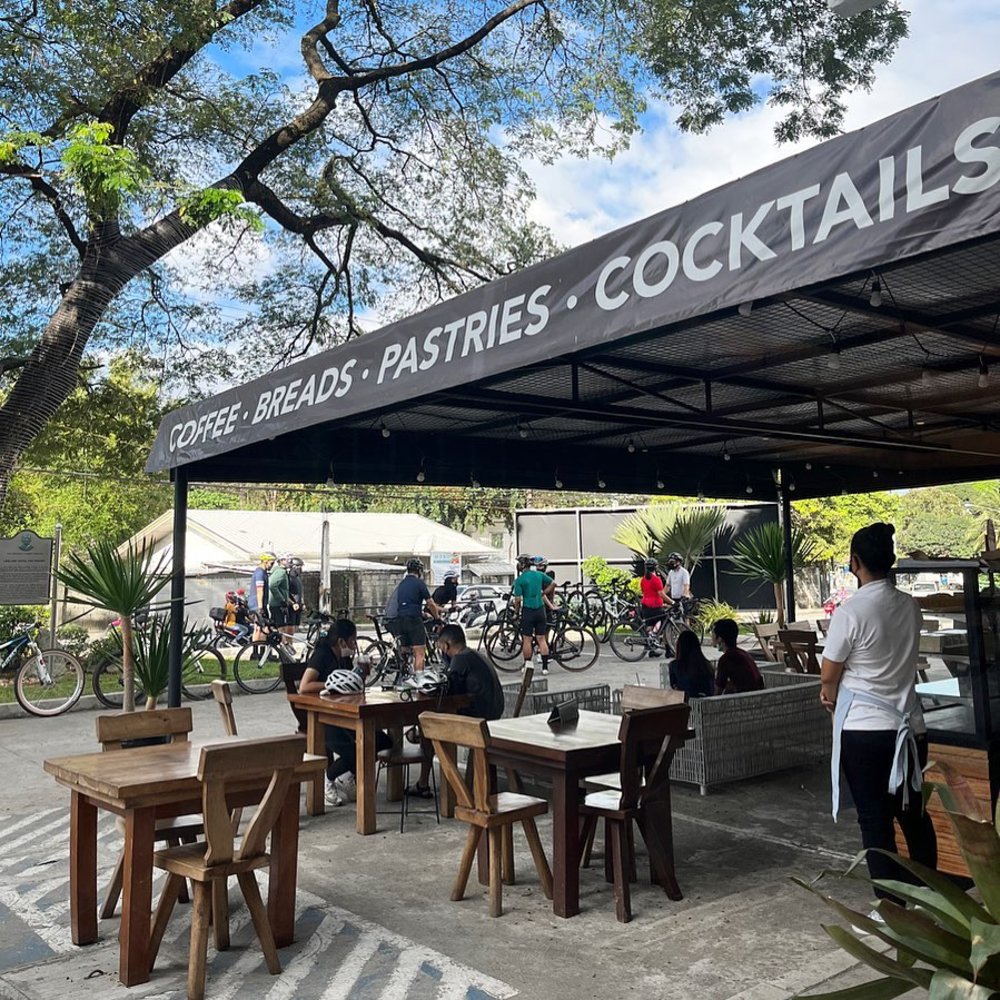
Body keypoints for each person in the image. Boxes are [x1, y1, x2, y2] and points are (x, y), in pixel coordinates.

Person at [821, 522, 936, 908]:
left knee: (875, 821)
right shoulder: (910, 606)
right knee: (914, 815)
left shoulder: (850, 613)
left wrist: (829, 695)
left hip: (866, 732)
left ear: (855, 562)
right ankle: (930, 898)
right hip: (910, 727)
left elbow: (829, 674)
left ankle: (891, 907)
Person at [298, 618, 392, 806]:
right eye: (353, 640)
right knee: (357, 752)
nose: (355, 645)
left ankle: (347, 775)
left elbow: (352, 685)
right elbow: (304, 686)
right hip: (325, 718)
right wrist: (332, 684)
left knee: (382, 741)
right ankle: (328, 779)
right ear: (342, 641)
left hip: (348, 713)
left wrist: (361, 675)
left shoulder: (345, 658)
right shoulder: (323, 654)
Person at [409, 623, 506, 796]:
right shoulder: (475, 655)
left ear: (446, 646)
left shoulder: (460, 659)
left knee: (429, 728)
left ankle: (430, 786)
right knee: (428, 727)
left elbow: (448, 690)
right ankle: (417, 738)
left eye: (441, 647)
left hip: (477, 720)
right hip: (492, 715)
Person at [385, 558, 441, 672]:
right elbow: (431, 604)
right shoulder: (419, 584)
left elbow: (406, 604)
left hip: (400, 620)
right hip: (414, 621)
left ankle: (404, 673)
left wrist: (423, 614)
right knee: (419, 652)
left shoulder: (402, 584)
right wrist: (437, 618)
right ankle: (419, 680)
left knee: (405, 650)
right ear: (419, 571)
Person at [512, 555, 551, 675]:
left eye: (518, 563)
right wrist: (543, 593)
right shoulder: (539, 575)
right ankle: (545, 668)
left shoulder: (520, 580)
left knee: (527, 640)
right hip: (540, 610)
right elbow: (553, 583)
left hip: (528, 611)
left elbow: (517, 600)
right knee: (542, 639)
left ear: (522, 565)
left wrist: (516, 613)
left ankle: (528, 665)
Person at [712, 618, 764, 694]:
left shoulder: (726, 659)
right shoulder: (743, 654)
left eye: (713, 634)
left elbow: (717, 692)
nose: (711, 637)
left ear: (719, 638)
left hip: (744, 699)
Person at [639, 558, 672, 656]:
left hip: (645, 606)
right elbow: (661, 593)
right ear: (656, 567)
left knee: (649, 625)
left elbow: (645, 592)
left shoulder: (643, 579)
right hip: (655, 606)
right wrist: (672, 602)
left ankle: (651, 649)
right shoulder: (656, 579)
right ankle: (668, 650)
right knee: (666, 623)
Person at [668, 629, 714, 699]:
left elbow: (674, 687)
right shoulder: (706, 665)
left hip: (685, 703)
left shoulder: (674, 666)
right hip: (705, 703)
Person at [248, 551, 275, 641]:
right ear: (265, 561)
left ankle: (261, 650)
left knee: (263, 628)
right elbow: (260, 590)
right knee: (260, 628)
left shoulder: (262, 572)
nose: (272, 565)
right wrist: (260, 608)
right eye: (271, 563)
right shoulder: (260, 573)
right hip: (257, 604)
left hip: (260, 604)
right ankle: (256, 651)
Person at [268, 553, 291, 639]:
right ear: (281, 561)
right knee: (281, 627)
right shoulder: (280, 572)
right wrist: (281, 600)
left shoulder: (277, 571)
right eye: (287, 559)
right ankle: (283, 645)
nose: (289, 561)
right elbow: (272, 585)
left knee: (274, 627)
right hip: (278, 604)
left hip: (275, 604)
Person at [287, 556, 304, 634]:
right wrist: (292, 603)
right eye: (299, 566)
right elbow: (286, 593)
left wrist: (302, 602)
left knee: (296, 626)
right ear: (294, 567)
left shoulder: (297, 578)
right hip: (292, 606)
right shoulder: (289, 578)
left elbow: (300, 591)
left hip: (298, 605)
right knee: (291, 626)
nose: (301, 569)